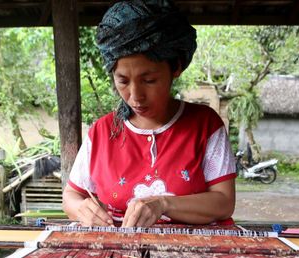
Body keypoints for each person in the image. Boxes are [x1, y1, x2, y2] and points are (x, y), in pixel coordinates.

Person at [63, 0, 236, 227]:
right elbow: (71, 197)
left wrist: (164, 204)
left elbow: (224, 202)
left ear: (176, 68)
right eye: (123, 81)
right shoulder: (102, 132)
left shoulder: (204, 125)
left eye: (149, 80)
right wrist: (82, 209)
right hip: (121, 254)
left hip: (190, 257)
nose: (135, 96)